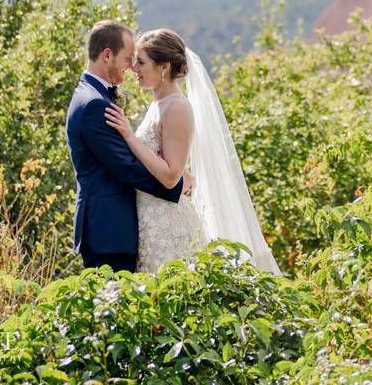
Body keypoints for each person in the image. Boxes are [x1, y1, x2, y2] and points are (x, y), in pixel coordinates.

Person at [104, 28, 281, 275]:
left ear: (164, 67)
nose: (134, 68)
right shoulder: (159, 104)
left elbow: (169, 177)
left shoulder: (176, 107)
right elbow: (167, 159)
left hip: (167, 222)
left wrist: (129, 136)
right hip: (151, 217)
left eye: (141, 62)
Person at [65, 20, 190, 273]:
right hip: (108, 231)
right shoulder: (93, 104)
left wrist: (174, 171)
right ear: (107, 55)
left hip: (119, 229)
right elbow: (127, 166)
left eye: (138, 61)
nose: (132, 67)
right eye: (128, 58)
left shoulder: (93, 95)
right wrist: (175, 181)